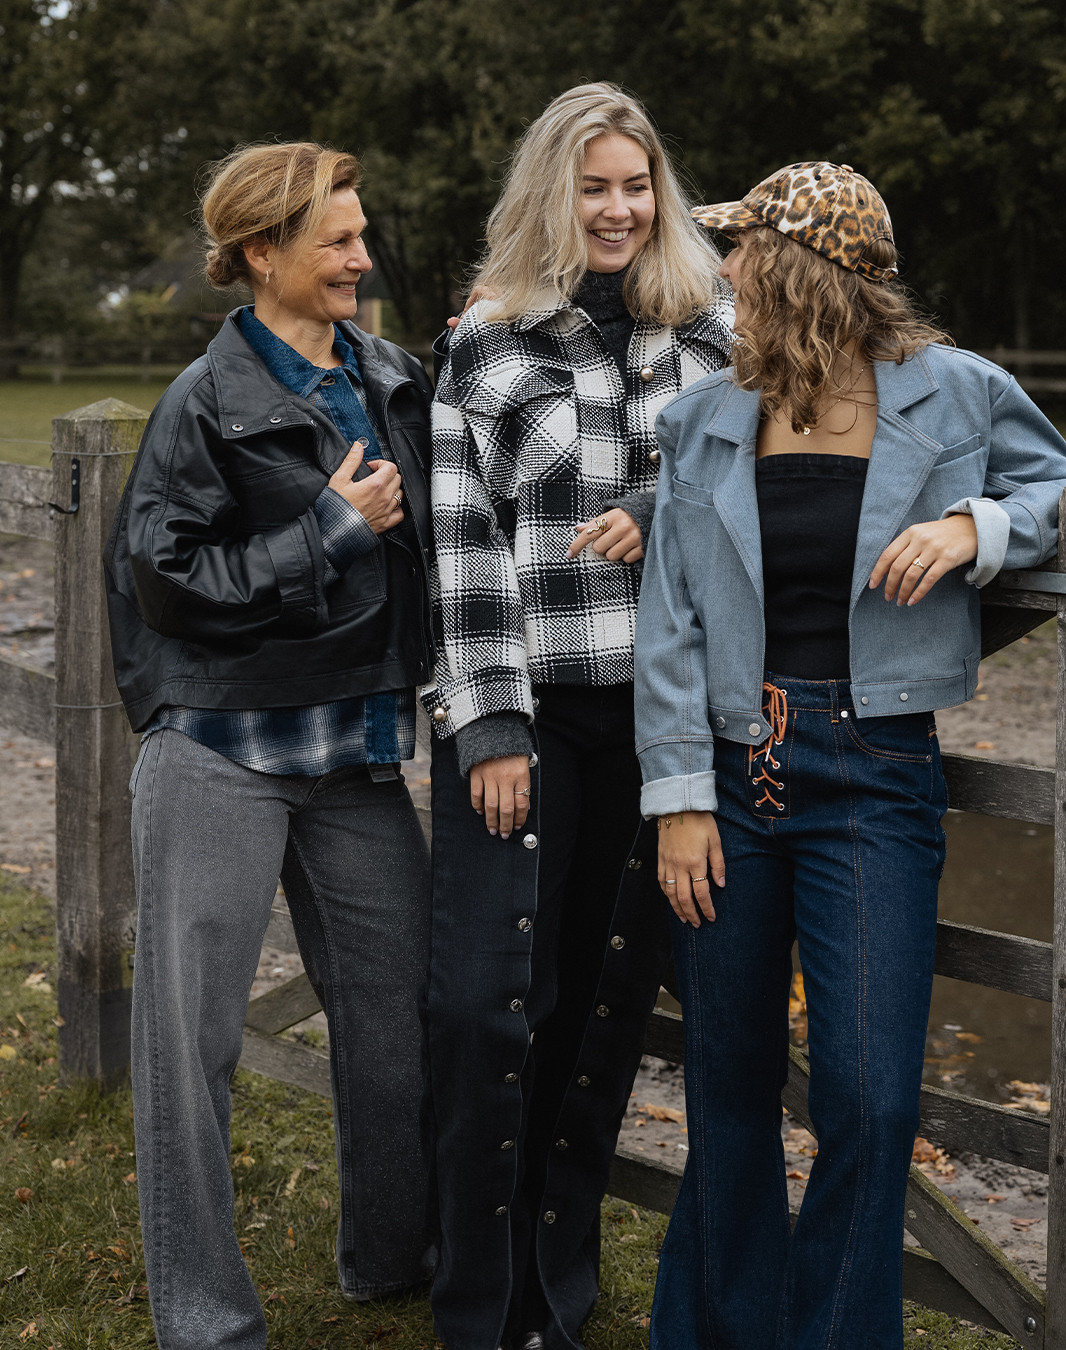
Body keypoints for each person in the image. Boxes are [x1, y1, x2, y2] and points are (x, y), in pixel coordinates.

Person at [633, 161, 1066, 1349]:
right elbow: (670, 621)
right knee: (727, 1084)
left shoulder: (958, 392)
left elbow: (1061, 489)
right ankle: (719, 1331)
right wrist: (679, 798)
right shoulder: (703, 417)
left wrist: (974, 525)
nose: (725, 267)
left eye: (742, 247)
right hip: (728, 773)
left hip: (877, 775)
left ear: (799, 266)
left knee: (872, 1099)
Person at [103, 142, 437, 1350]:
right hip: (221, 752)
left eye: (359, 234)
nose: (360, 258)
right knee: (189, 1053)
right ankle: (204, 1321)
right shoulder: (204, 401)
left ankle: (394, 1262)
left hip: (355, 751)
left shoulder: (394, 376)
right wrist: (332, 529)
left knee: (402, 1025)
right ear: (261, 252)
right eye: (336, 240)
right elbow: (168, 583)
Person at [420, 82, 734, 1350]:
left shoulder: (715, 332)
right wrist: (490, 723)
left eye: (635, 185)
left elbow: (763, 480)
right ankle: (474, 1297)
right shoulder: (488, 343)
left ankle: (558, 1281)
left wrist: (667, 510)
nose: (617, 209)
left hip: (659, 722)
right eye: (592, 186)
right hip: (530, 713)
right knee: (491, 1006)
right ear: (552, 194)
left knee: (604, 1005)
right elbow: (462, 539)